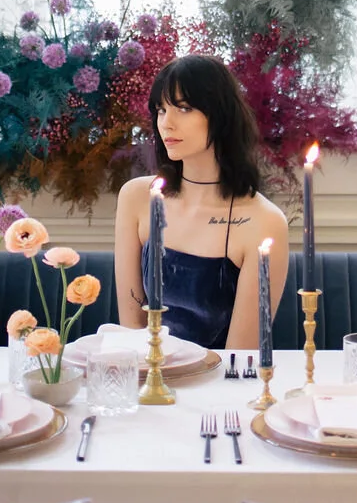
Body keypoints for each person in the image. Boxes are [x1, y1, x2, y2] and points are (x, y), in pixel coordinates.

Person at [114, 54, 289, 349]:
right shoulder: (136, 198)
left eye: (183, 108)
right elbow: (130, 333)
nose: (166, 123)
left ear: (221, 116)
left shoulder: (264, 221)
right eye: (160, 110)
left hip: (219, 387)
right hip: (146, 384)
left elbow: (240, 358)